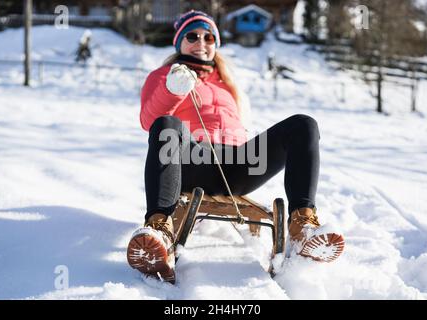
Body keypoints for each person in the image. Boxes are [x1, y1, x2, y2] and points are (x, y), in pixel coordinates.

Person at [127, 10, 344, 284]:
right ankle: (159, 229)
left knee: (303, 125)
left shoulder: (227, 84)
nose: (201, 42)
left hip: (239, 166)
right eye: (192, 36)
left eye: (208, 37)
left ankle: (302, 226)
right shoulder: (163, 75)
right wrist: (173, 90)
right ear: (179, 41)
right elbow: (149, 121)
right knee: (167, 124)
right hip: (193, 160)